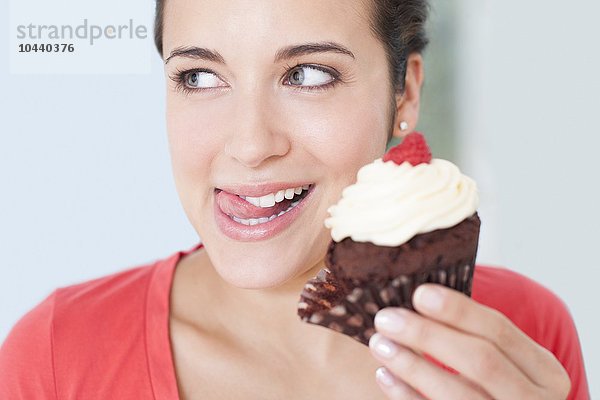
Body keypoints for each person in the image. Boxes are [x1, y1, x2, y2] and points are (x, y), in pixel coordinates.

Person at [0, 0, 590, 399]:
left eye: (309, 74)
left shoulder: (520, 334)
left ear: (404, 93)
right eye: (199, 77)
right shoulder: (56, 356)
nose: (251, 144)